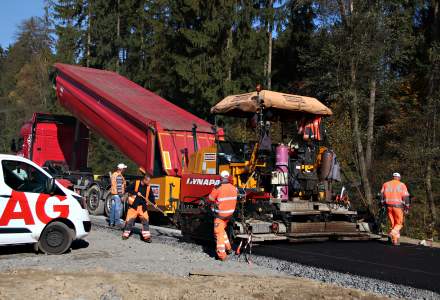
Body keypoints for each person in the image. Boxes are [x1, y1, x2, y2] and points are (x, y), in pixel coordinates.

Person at [208, 170, 237, 261]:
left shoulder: (218, 188)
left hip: (220, 216)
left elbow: (210, 199)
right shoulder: (234, 188)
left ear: (220, 177)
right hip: (229, 215)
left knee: (218, 233)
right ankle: (229, 248)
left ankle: (222, 255)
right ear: (228, 177)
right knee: (222, 231)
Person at [122, 173, 156, 242]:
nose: (149, 183)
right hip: (133, 207)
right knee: (129, 221)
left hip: (142, 207)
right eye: (148, 181)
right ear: (144, 180)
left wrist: (154, 203)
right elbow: (127, 189)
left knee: (145, 221)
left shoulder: (148, 187)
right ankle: (125, 234)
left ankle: (146, 237)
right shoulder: (136, 183)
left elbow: (151, 197)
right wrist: (135, 192)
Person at [381, 172, 410, 245]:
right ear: (399, 178)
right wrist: (407, 207)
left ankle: (395, 241)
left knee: (393, 224)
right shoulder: (401, 185)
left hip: (388, 206)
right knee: (400, 223)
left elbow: (381, 195)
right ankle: (391, 233)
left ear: (393, 177)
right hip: (398, 207)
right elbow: (406, 197)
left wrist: (383, 204)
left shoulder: (386, 184)